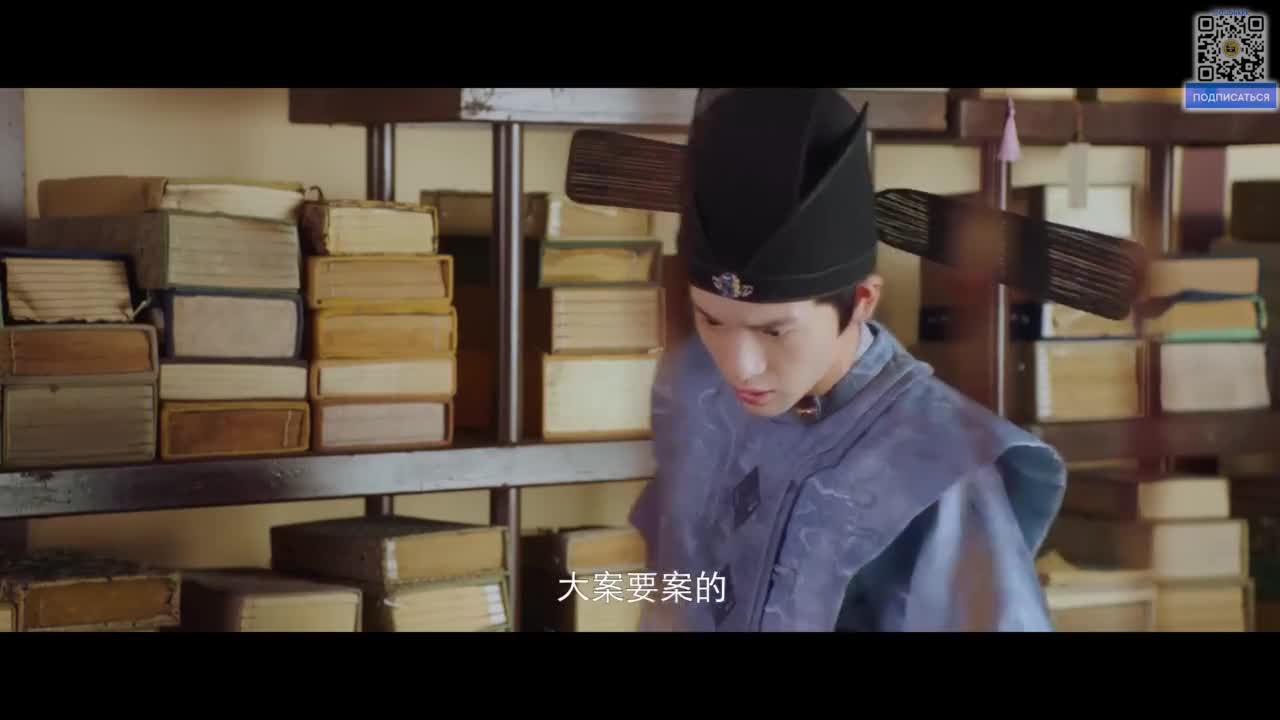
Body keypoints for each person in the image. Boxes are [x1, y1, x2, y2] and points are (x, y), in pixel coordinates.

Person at [627, 88, 1068, 631]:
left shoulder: (941, 466)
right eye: (711, 320)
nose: (739, 366)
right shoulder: (699, 389)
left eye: (774, 330)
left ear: (861, 300)